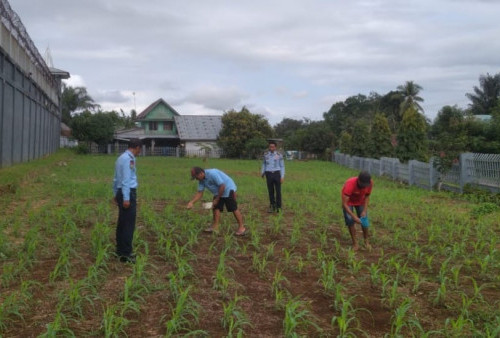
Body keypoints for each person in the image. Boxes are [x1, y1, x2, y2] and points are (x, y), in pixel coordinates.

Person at [187, 167, 246, 236]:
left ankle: (241, 227)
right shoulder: (201, 180)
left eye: (196, 177)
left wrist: (217, 199)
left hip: (228, 189)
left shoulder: (212, 173)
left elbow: (222, 185)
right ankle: (215, 227)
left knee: (233, 208)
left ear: (201, 173)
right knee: (216, 208)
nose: (196, 179)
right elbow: (200, 193)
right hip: (218, 191)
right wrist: (192, 202)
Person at [112, 138, 142, 263]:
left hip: (121, 191)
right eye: (139, 149)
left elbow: (115, 178)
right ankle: (126, 254)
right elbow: (125, 180)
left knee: (122, 223)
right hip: (127, 192)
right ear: (137, 147)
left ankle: (120, 251)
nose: (139, 152)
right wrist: (126, 198)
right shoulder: (129, 159)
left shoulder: (121, 158)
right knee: (128, 225)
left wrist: (115, 194)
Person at [341, 171, 373, 251]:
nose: (364, 187)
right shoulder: (350, 184)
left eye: (366, 185)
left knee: (364, 220)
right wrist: (354, 216)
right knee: (350, 220)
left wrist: (364, 210)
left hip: (360, 201)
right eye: (363, 185)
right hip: (348, 202)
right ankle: (355, 243)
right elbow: (345, 204)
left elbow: (367, 197)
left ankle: (366, 241)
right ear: (358, 180)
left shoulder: (369, 183)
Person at [261, 140, 285, 213]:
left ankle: (279, 207)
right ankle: (272, 206)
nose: (271, 148)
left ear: (275, 147)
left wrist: (282, 176)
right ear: (269, 147)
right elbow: (264, 164)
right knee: (270, 191)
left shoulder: (279, 155)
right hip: (269, 174)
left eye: (273, 147)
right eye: (270, 147)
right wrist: (262, 172)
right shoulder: (266, 155)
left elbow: (282, 166)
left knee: (278, 191)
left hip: (277, 174)